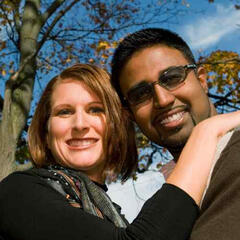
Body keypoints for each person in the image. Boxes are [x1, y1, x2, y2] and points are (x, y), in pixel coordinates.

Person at [0, 64, 239, 240]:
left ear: (117, 126)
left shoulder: (112, 214)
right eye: (64, 112)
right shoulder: (17, 191)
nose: (80, 124)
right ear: (45, 132)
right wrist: (207, 131)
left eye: (96, 110)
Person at [111, 28, 240, 240]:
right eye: (140, 94)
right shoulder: (164, 208)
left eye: (172, 78)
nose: (162, 100)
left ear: (202, 80)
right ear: (131, 115)